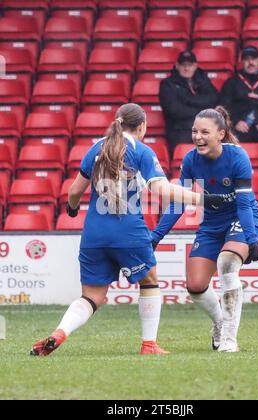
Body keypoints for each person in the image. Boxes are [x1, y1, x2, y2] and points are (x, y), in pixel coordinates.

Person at [30, 103, 216, 357]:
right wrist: (202, 198)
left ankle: (60, 332)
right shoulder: (142, 151)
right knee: (149, 281)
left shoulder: (96, 148)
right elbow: (160, 189)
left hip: (94, 234)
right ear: (141, 127)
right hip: (128, 231)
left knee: (92, 296)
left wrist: (72, 210)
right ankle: (149, 345)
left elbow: (74, 191)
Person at [151, 106, 258, 353]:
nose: (197, 137)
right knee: (195, 285)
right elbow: (180, 201)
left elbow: (244, 204)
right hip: (212, 224)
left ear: (221, 134)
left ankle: (229, 340)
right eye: (194, 131)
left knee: (226, 263)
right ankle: (219, 321)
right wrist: (155, 236)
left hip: (240, 218)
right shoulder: (191, 159)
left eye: (204, 132)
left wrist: (252, 239)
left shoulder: (238, 157)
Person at [160, 50, 219, 155]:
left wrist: (187, 100)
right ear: (177, 65)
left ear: (195, 66)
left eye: (190, 65)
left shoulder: (203, 80)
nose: (186, 68)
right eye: (183, 65)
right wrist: (201, 111)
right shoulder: (167, 84)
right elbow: (174, 110)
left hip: (204, 129)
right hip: (180, 130)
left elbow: (213, 99)